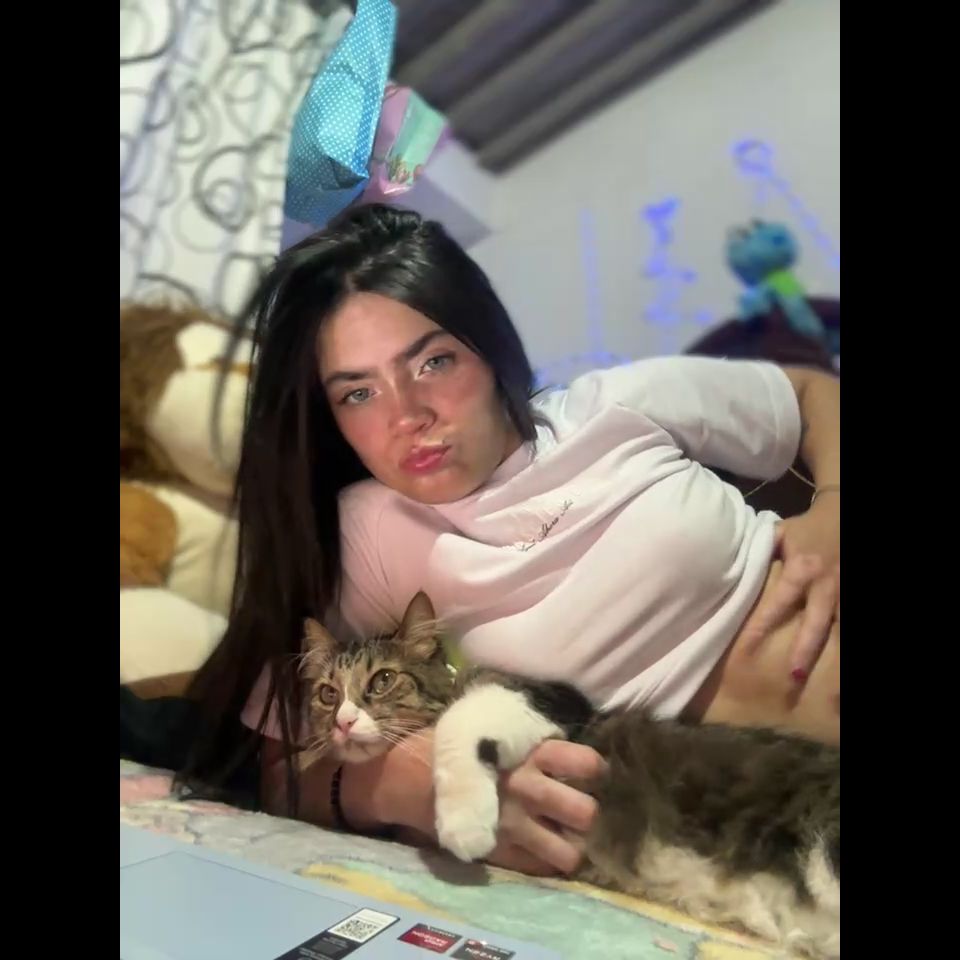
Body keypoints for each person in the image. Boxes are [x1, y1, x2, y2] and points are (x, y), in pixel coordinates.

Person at [180, 204, 840, 877]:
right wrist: (412, 785)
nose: (408, 415)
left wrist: (834, 506)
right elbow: (283, 768)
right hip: (764, 821)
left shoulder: (610, 407)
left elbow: (810, 394)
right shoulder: (373, 533)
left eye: (433, 362)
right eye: (358, 394)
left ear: (490, 349)